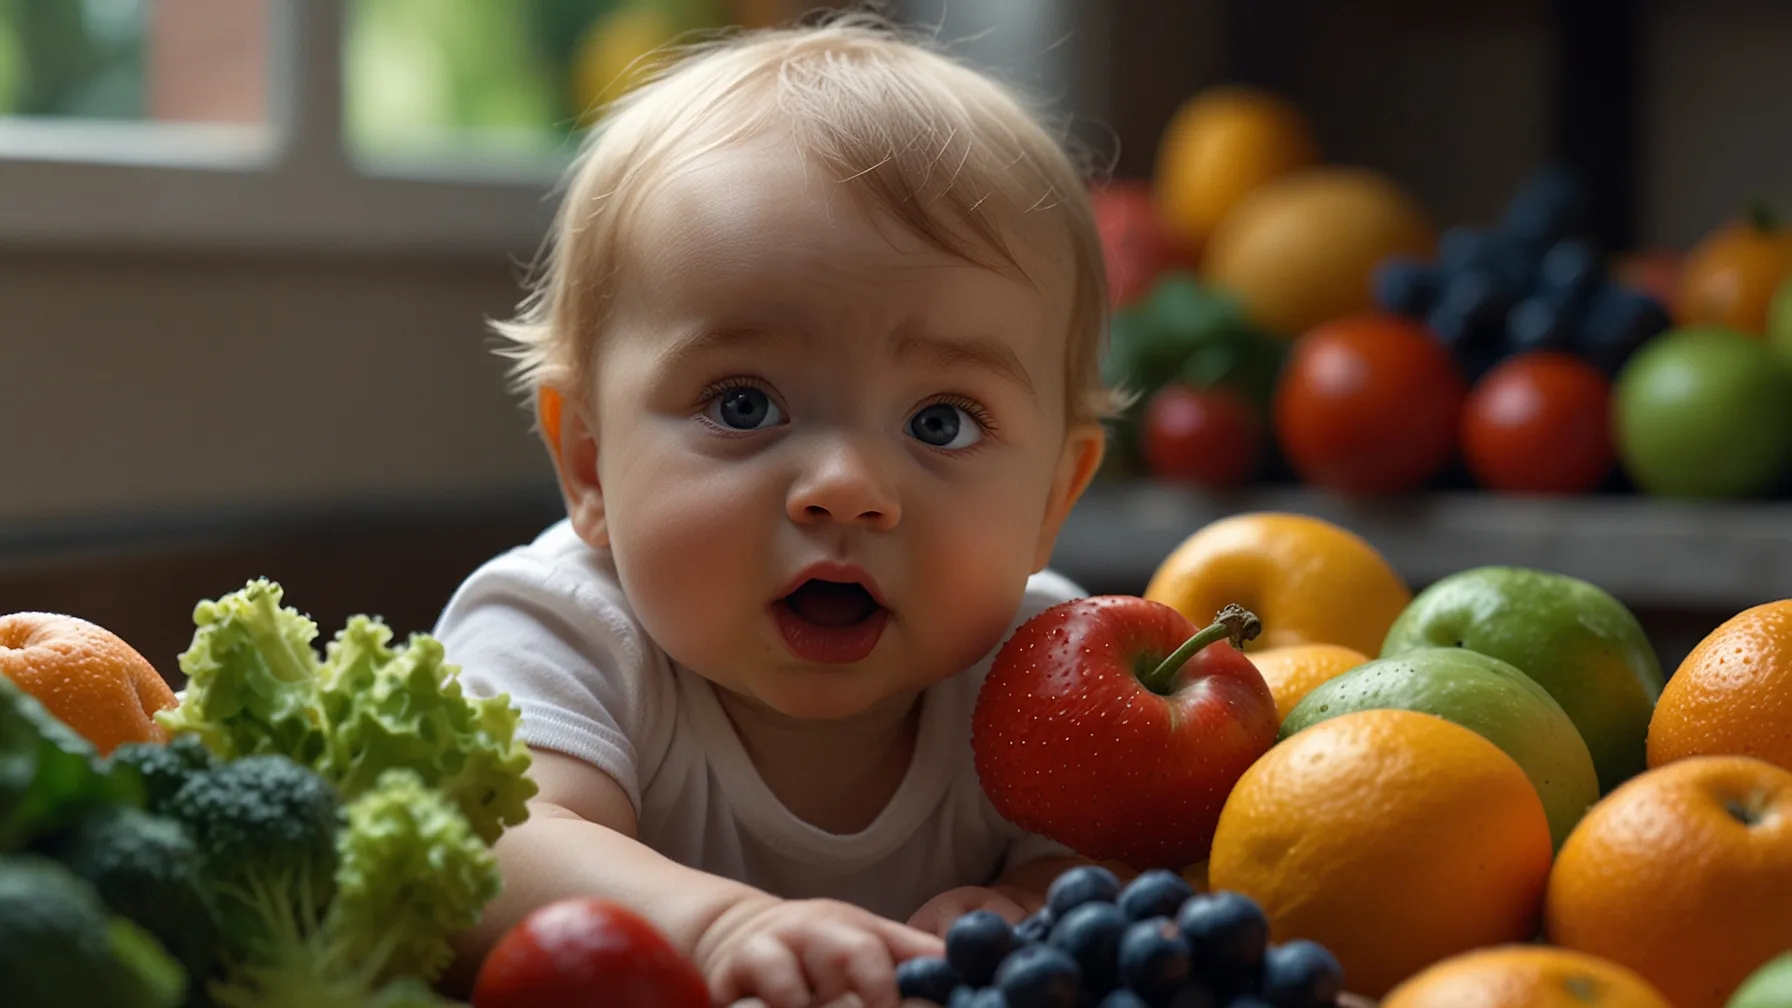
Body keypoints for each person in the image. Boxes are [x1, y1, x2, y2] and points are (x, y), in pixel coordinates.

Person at [435, 10, 1118, 1006]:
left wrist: (1032, 907)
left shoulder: (1041, 667)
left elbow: (1124, 862)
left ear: (1054, 497)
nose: (846, 486)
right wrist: (718, 927)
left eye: (940, 422)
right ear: (589, 462)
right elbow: (491, 847)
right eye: (743, 405)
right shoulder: (562, 626)